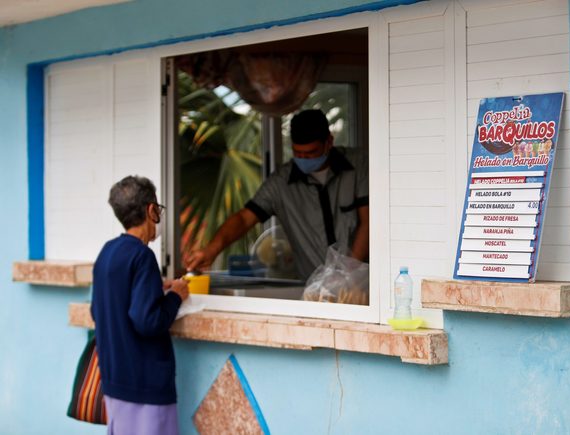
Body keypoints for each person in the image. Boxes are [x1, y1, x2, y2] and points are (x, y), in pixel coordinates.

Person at [185, 109, 369, 280]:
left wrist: (349, 276)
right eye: (298, 153)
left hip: (363, 284)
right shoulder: (281, 182)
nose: (304, 159)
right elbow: (243, 218)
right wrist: (211, 250)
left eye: (311, 153)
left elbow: (369, 221)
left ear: (329, 142)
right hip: (315, 289)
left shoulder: (359, 165)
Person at [91, 175, 189, 435]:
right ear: (151, 210)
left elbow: (100, 309)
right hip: (144, 385)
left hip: (115, 382)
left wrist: (155, 287)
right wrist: (176, 295)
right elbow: (147, 321)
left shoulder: (107, 252)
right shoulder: (142, 256)